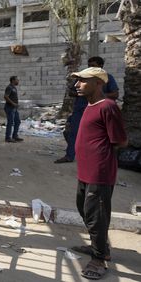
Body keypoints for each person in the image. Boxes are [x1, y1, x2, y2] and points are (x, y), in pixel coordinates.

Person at [69, 67, 127, 280]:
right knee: (84, 208)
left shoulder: (108, 107)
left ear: (99, 83)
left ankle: (99, 258)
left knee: (97, 216)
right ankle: (100, 246)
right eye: (78, 81)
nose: (78, 85)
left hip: (99, 173)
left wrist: (100, 157)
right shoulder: (89, 105)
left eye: (83, 81)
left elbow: (121, 140)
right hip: (85, 171)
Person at [55, 56, 119, 163]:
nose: (90, 67)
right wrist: (80, 93)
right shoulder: (82, 78)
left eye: (93, 65)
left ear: (100, 66)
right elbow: (71, 91)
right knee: (71, 132)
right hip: (80, 111)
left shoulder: (107, 78)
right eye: (89, 65)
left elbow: (115, 94)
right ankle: (70, 155)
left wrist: (97, 95)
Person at [4, 76, 23, 143]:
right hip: (9, 108)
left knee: (17, 121)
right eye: (17, 80)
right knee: (10, 122)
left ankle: (15, 136)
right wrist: (13, 103)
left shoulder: (14, 87)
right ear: (13, 80)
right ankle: (8, 138)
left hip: (14, 108)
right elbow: (6, 97)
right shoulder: (9, 87)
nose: (18, 81)